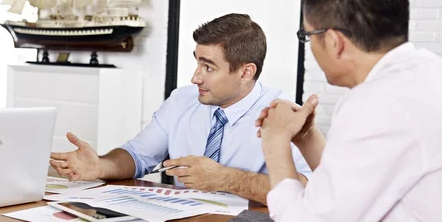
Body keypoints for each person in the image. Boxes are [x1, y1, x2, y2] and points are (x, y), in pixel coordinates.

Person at [256, 0, 442, 222]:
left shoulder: (377, 102)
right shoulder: (428, 75)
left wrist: (275, 143)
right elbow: (356, 190)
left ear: (334, 41)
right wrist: (307, 138)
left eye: (307, 34)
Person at [50, 13, 310, 204]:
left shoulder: (282, 114)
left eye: (209, 67)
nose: (195, 78)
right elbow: (139, 156)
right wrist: (100, 166)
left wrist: (226, 179)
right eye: (197, 63)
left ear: (246, 72)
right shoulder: (182, 100)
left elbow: (308, 190)